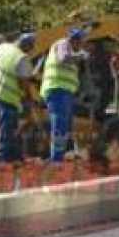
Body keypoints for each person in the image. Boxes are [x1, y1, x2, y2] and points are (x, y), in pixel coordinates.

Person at [0, 33, 36, 162]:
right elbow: (23, 82)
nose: (31, 50)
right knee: (7, 127)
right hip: (8, 96)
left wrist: (1, 70)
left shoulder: (4, 47)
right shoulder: (22, 58)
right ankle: (2, 158)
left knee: (10, 126)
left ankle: (15, 156)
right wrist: (29, 98)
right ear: (26, 45)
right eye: (31, 47)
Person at [40, 27, 88, 162]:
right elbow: (63, 59)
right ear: (73, 40)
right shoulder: (62, 44)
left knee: (65, 125)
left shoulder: (72, 51)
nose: (80, 44)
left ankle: (64, 155)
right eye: (79, 41)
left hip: (64, 91)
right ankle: (56, 159)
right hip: (57, 90)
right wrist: (81, 56)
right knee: (60, 124)